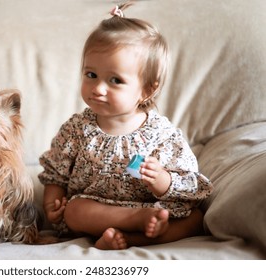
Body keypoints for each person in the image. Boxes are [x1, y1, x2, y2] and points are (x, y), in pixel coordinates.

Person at [38, 2, 213, 250]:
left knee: (195, 219)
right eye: (91, 75)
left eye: (115, 80)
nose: (98, 88)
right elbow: (55, 172)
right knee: (75, 210)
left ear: (147, 89)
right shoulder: (77, 129)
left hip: (148, 207)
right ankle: (132, 226)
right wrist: (52, 206)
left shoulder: (161, 134)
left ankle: (126, 239)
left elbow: (191, 183)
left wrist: (162, 180)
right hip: (96, 209)